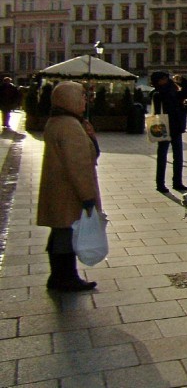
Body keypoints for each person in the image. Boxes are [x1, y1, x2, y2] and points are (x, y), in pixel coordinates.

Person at [36, 81, 102, 292]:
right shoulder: (70, 126)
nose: (85, 100)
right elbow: (79, 165)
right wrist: (87, 197)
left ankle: (60, 275)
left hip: (59, 190)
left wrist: (90, 137)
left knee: (60, 234)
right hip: (68, 192)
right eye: (81, 96)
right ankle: (65, 277)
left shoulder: (57, 121)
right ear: (69, 99)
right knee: (65, 235)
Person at [151, 71, 187, 193]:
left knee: (178, 156)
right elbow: (156, 113)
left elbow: (185, 94)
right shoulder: (157, 93)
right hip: (164, 126)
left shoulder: (173, 90)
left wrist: (184, 81)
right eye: (163, 78)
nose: (166, 80)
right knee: (162, 156)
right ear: (158, 81)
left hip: (176, 126)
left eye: (166, 78)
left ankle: (177, 182)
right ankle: (160, 183)